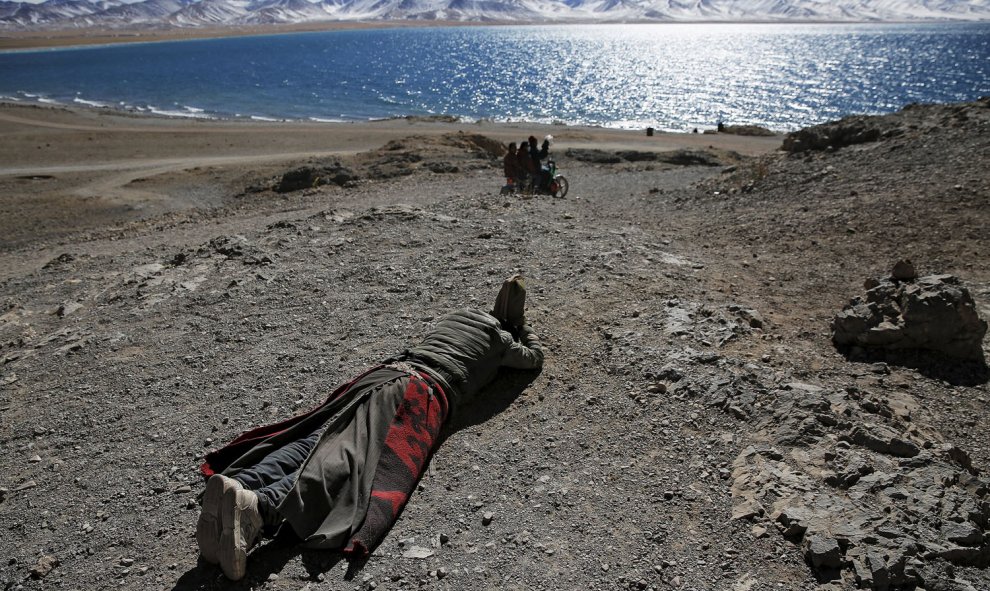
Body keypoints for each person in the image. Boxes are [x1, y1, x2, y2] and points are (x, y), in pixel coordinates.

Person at [195, 276, 544, 581]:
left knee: (318, 437)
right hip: (418, 392)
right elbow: (532, 359)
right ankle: (258, 508)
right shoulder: (500, 339)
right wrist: (519, 323)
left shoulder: (454, 317)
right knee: (352, 459)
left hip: (384, 375)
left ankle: (243, 484)